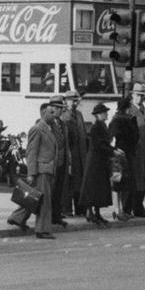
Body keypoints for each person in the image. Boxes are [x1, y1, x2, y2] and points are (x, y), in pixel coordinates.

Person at [7, 98, 64, 239]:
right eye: (51, 112)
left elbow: (59, 142)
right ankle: (42, 229)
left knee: (35, 197)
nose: (54, 114)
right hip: (41, 170)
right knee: (44, 201)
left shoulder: (51, 127)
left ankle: (17, 218)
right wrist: (31, 173)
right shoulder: (37, 129)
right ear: (44, 113)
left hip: (48, 169)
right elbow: (31, 152)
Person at [81, 101, 115, 226]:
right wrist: (113, 151)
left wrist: (112, 150)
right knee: (94, 188)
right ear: (98, 115)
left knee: (98, 189)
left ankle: (96, 212)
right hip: (96, 162)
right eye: (104, 112)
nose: (106, 114)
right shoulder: (97, 127)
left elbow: (104, 144)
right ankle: (91, 212)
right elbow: (100, 145)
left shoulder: (101, 126)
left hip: (99, 161)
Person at [108, 94, 141, 221]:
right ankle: (119, 210)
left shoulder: (118, 119)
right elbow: (135, 137)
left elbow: (110, 137)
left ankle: (120, 210)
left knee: (120, 183)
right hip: (123, 154)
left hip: (122, 153)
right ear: (127, 108)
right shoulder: (125, 120)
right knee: (120, 183)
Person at [57, 90, 85, 225]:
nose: (74, 103)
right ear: (66, 101)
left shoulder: (79, 115)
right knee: (68, 182)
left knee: (78, 182)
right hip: (69, 153)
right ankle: (66, 208)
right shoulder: (64, 116)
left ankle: (80, 208)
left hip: (79, 153)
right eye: (72, 100)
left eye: (75, 100)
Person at [127, 84, 145, 218]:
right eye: (137, 95)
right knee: (134, 181)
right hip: (135, 152)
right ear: (132, 95)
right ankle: (131, 207)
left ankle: (138, 206)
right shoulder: (129, 111)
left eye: (142, 95)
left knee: (143, 181)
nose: (140, 98)